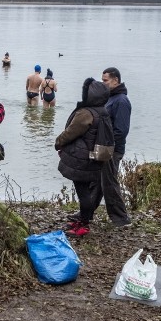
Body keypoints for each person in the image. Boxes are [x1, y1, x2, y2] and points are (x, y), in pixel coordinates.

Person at [54, 77, 110, 237]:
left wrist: (58, 143)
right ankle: (83, 219)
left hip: (83, 159)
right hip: (95, 156)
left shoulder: (86, 113)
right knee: (85, 190)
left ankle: (84, 224)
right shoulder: (102, 111)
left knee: (83, 191)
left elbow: (71, 133)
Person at [86, 66, 132, 228]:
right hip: (104, 146)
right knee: (95, 180)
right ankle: (87, 212)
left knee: (109, 183)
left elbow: (121, 130)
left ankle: (121, 219)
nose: (103, 83)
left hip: (112, 149)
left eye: (105, 81)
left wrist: (109, 147)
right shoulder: (111, 98)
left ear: (115, 81)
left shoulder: (121, 101)